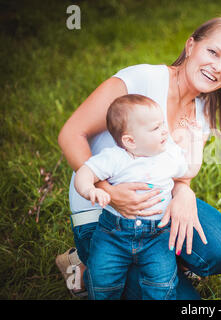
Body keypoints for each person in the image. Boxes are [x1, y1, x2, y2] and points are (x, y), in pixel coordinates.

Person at [56, 17, 221, 299]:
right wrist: (109, 192)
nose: (218, 68)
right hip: (104, 216)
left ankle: (161, 265)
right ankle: (84, 269)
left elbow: (179, 174)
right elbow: (72, 134)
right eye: (213, 52)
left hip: (156, 209)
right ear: (191, 45)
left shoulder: (204, 110)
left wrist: (184, 193)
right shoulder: (142, 80)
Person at [74, 94, 204, 299]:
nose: (164, 130)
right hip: (113, 233)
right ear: (130, 141)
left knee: (161, 286)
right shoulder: (115, 158)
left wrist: (196, 140)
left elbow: (190, 170)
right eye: (155, 128)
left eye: (162, 124)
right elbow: (84, 173)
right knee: (102, 283)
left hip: (158, 235)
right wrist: (91, 190)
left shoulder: (168, 155)